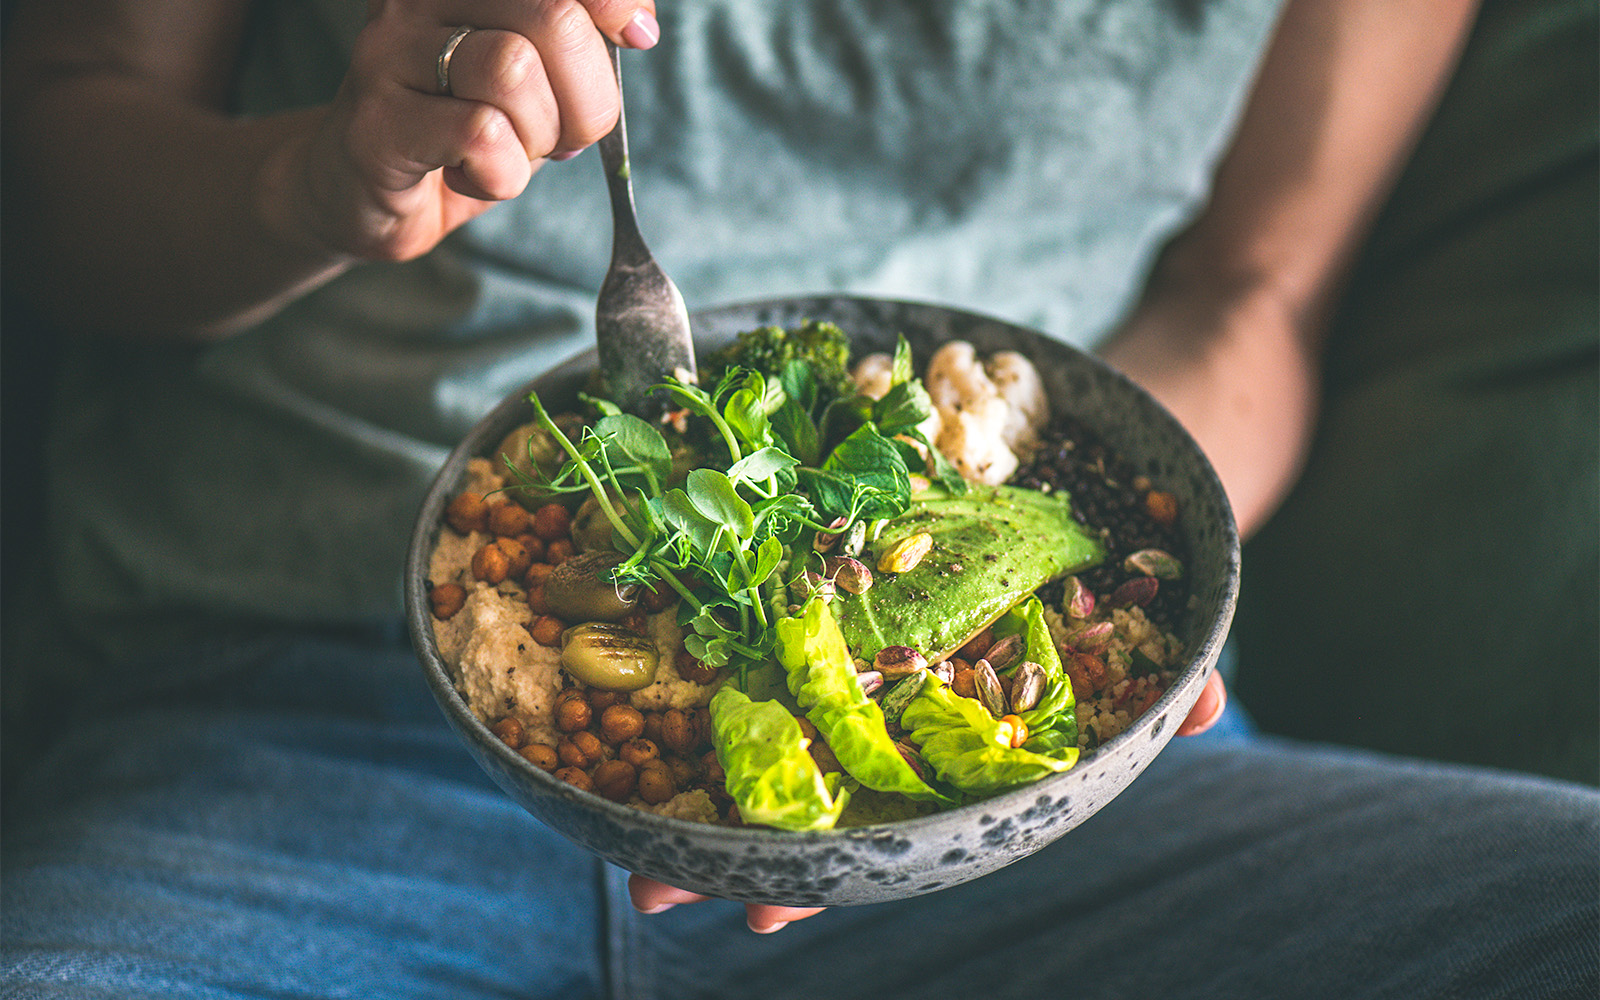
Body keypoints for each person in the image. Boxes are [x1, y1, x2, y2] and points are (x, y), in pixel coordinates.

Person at [1, 0, 1594, 996]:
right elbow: (56, 176)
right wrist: (321, 178)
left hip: (1035, 821)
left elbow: (1258, 289)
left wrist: (1105, 629)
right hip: (290, 731)